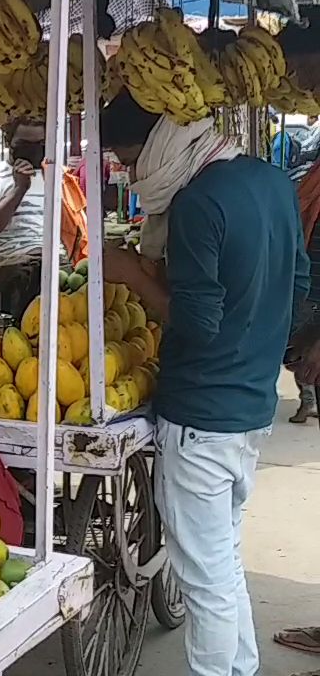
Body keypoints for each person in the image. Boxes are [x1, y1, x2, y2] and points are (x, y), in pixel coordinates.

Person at [99, 91, 308, 676]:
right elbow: (299, 282)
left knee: (203, 579)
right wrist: (256, 343)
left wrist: (129, 275)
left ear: (162, 140)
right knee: (223, 561)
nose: (129, 173)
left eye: (128, 156)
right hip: (251, 406)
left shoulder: (197, 203)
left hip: (202, 417)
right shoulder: (271, 180)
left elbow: (196, 321)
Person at [0, 118, 89, 264]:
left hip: (58, 265)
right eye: (24, 144)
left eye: (40, 144)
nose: (33, 150)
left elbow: (77, 226)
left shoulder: (60, 177)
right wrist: (19, 189)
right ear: (8, 142)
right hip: (10, 266)